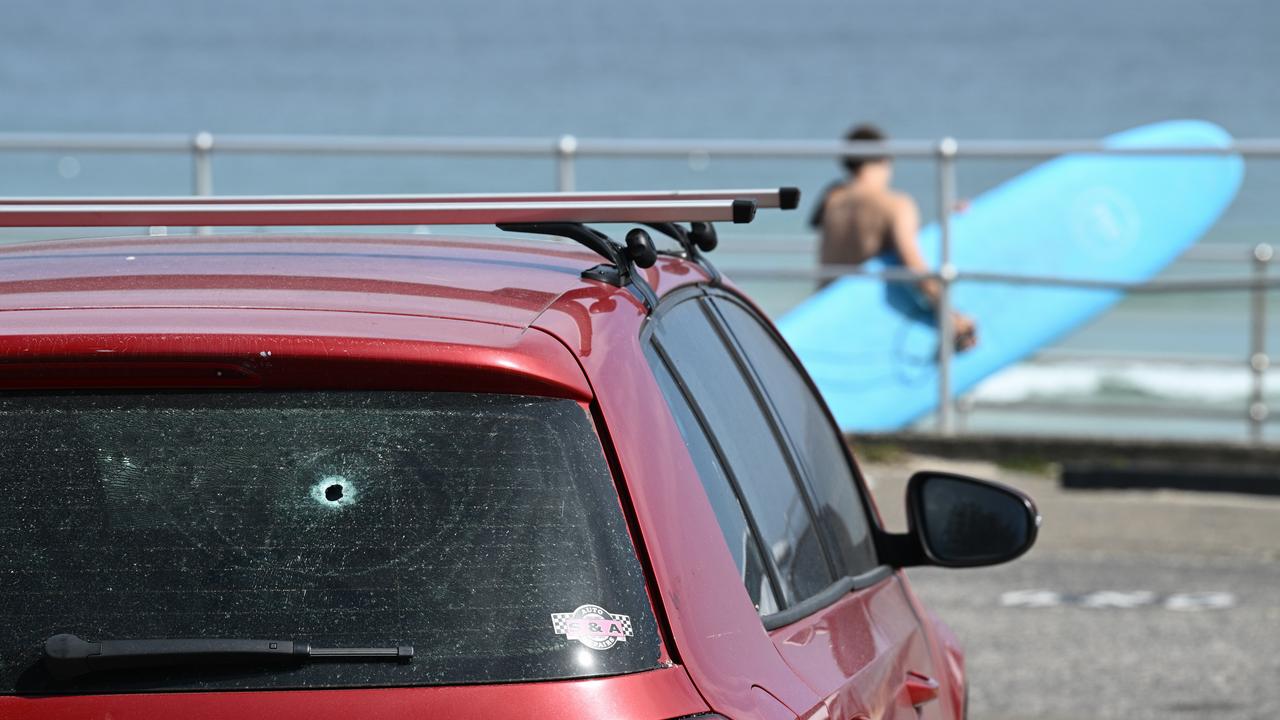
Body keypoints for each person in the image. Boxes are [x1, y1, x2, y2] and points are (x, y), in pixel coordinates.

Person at [812, 123, 978, 352]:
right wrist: (953, 317)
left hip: (825, 319)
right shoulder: (896, 205)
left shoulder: (831, 202)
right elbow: (914, 267)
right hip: (869, 329)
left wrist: (945, 219)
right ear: (884, 160)